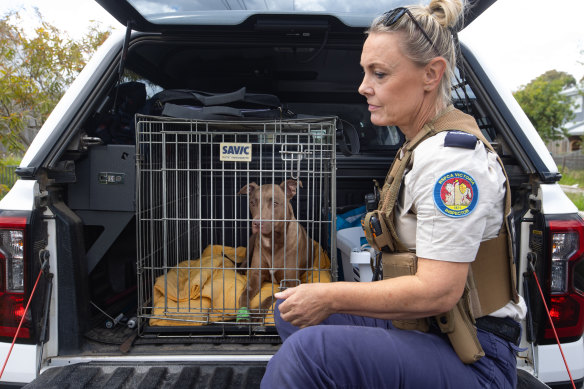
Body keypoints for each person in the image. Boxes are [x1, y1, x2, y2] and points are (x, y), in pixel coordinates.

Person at [260, 0, 527, 388]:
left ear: (431, 74)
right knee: (293, 309)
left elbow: (438, 291)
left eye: (379, 73)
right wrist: (320, 297)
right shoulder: (419, 146)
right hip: (432, 330)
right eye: (366, 72)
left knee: (309, 351)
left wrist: (331, 295)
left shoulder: (452, 164)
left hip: (475, 352)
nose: (363, 86)